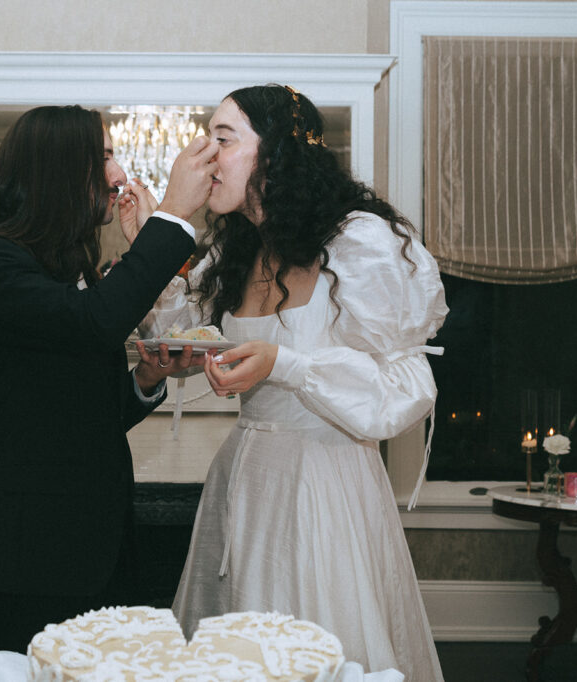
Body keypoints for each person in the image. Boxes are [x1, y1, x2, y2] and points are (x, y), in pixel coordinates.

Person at [135, 85, 448, 680]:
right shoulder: (239, 247)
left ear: (275, 154)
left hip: (324, 482)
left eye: (224, 139)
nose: (205, 154)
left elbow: (403, 387)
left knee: (314, 648)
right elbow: (185, 333)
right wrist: (147, 241)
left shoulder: (359, 241)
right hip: (245, 476)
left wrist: (287, 364)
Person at [0, 104, 217, 670]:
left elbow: (72, 413)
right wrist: (174, 218)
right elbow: (96, 321)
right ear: (62, 169)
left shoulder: (63, 264)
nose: (118, 175)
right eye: (107, 157)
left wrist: (144, 379)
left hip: (100, 540)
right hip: (29, 552)